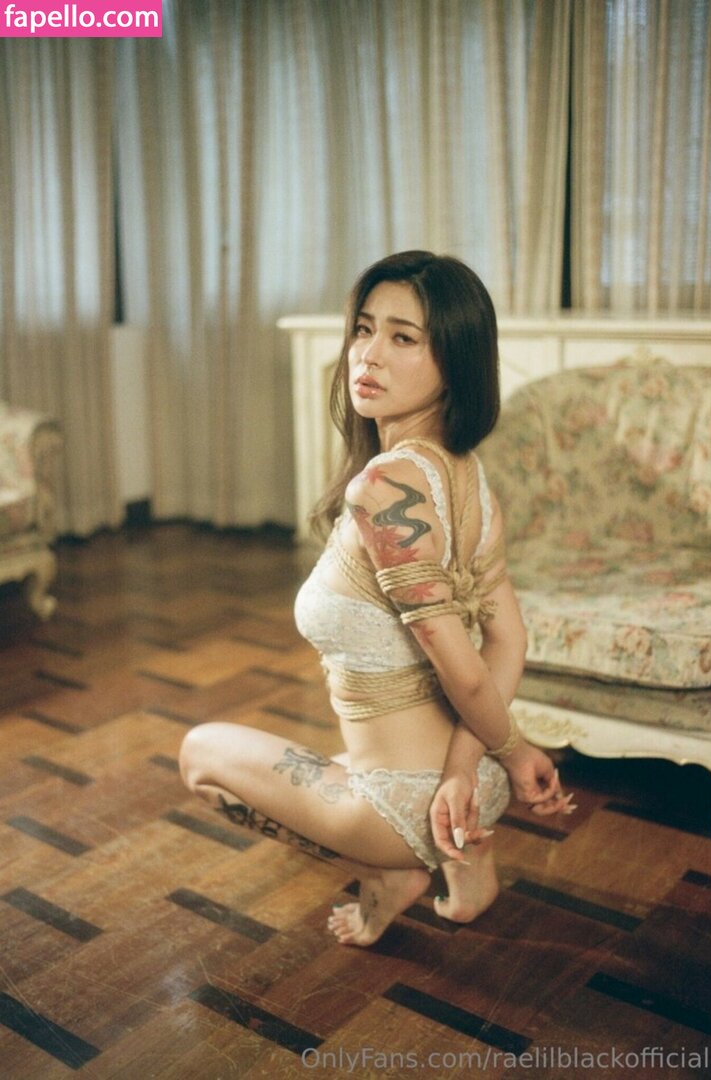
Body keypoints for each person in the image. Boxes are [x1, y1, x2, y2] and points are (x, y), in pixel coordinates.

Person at [179, 250, 575, 947]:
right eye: (364, 329)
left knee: (199, 754)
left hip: (413, 804)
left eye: (403, 338)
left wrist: (517, 756)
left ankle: (388, 870)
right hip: (464, 783)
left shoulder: (385, 490)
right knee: (316, 760)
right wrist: (470, 768)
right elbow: (508, 638)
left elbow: (464, 670)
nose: (368, 354)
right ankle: (462, 855)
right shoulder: (467, 474)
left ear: (453, 361)